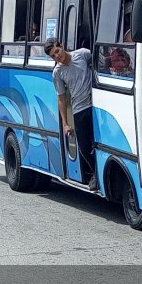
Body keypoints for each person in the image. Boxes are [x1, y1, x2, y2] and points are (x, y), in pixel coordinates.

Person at [44, 38, 97, 190]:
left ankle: (100, 175)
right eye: (53, 56)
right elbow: (61, 98)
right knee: (84, 146)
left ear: (61, 46)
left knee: (98, 142)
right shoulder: (57, 72)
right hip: (79, 109)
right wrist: (66, 124)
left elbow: (99, 65)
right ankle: (94, 174)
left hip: (94, 105)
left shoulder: (83, 54)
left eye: (57, 52)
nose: (57, 57)